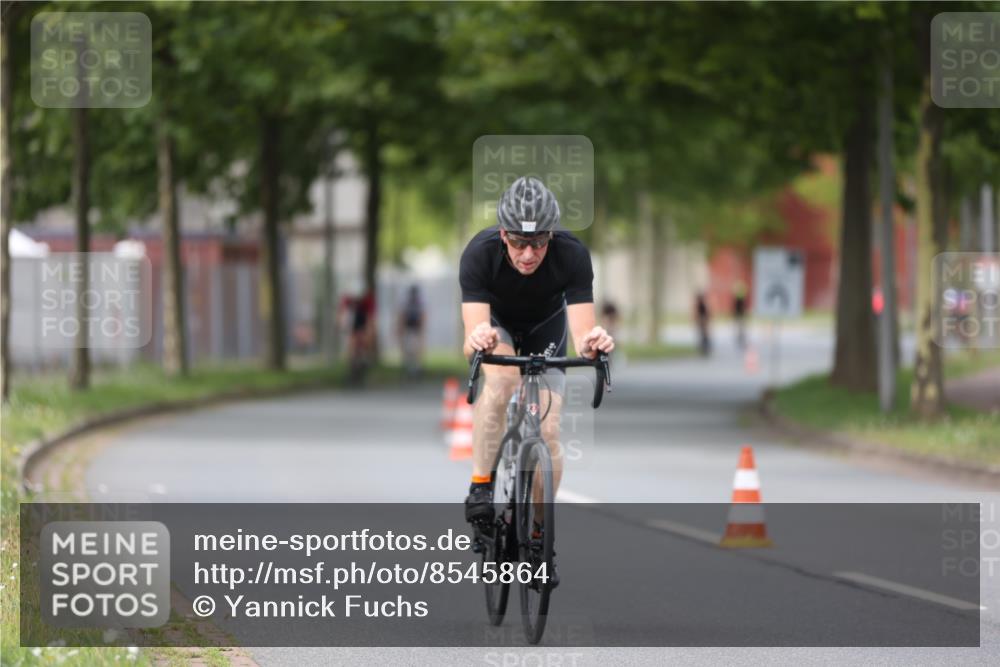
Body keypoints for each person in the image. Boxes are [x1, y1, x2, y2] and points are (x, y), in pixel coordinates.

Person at [460, 176, 615, 525]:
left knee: (548, 431)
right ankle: (481, 485)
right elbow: (473, 333)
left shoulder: (572, 254)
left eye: (539, 242)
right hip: (496, 324)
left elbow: (582, 335)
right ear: (503, 234)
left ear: (552, 235)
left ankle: (538, 536)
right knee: (501, 383)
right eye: (518, 241)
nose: (528, 254)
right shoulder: (479, 253)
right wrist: (476, 339)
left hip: (545, 327)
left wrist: (594, 343)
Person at [397, 284, 426, 378]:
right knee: (408, 349)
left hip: (416, 328)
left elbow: (423, 316)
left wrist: (421, 330)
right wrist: (401, 329)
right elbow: (402, 317)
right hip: (408, 328)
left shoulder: (419, 302)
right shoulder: (406, 303)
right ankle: (409, 367)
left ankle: (416, 367)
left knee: (416, 349)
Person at [732, 281, 747, 349]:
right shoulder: (740, 297)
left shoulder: (739, 298)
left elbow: (737, 306)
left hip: (740, 313)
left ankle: (741, 335)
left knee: (740, 326)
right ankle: (740, 335)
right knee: (740, 326)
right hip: (740, 314)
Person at [695, 292, 711, 356]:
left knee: (704, 335)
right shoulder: (699, 305)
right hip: (701, 321)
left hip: (704, 321)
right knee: (702, 335)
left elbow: (707, 314)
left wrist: (705, 321)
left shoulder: (703, 305)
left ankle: (705, 347)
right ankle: (703, 347)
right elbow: (697, 314)